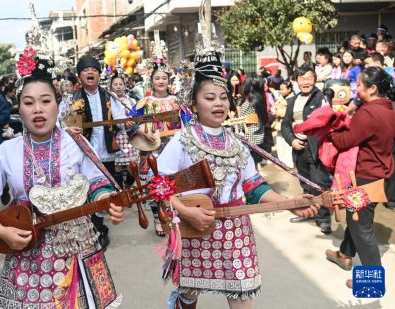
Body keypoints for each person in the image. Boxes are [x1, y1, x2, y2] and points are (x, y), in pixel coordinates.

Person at [156, 47, 321, 309]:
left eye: (223, 97)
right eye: (210, 97)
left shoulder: (237, 142)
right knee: (188, 297)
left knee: (243, 295)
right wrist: (185, 213)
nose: (218, 104)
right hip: (195, 228)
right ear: (194, 103)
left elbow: (253, 187)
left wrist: (289, 201)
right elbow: (161, 186)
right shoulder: (182, 141)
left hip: (235, 231)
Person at [0, 55, 124, 308]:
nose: (38, 109)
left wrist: (107, 200)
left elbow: (98, 185)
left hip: (79, 248)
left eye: (45, 101)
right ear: (19, 107)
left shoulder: (76, 143)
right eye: (29, 103)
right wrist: (3, 232)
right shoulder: (7, 151)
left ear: (57, 104)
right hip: (28, 249)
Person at [325, 67, 395, 287]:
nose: (357, 87)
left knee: (361, 228)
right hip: (381, 174)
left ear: (373, 89)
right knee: (356, 220)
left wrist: (330, 130)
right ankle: (344, 254)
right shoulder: (390, 109)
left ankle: (371, 282)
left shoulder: (368, 112)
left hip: (364, 178)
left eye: (361, 84)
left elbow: (346, 141)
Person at [70, 55, 137, 250]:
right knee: (83, 191)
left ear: (99, 75)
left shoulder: (109, 96)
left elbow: (119, 118)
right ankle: (86, 228)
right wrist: (72, 129)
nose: (90, 73)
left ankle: (99, 229)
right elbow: (69, 125)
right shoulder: (73, 98)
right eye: (85, 70)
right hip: (83, 154)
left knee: (103, 191)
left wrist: (128, 123)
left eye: (94, 70)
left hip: (105, 152)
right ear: (79, 76)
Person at [134, 46, 181, 237]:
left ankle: (172, 216)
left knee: (174, 184)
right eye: (157, 78)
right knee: (154, 185)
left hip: (174, 147)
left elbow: (187, 123)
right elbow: (131, 124)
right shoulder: (143, 103)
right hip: (152, 150)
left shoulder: (177, 101)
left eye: (164, 78)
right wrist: (144, 134)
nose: (161, 81)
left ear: (169, 81)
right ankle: (157, 217)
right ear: (151, 81)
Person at [281, 66, 332, 234]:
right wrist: (292, 140)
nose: (305, 82)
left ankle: (324, 218)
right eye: (302, 79)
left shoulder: (320, 98)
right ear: (297, 81)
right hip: (299, 149)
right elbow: (285, 124)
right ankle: (309, 212)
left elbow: (325, 122)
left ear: (315, 80)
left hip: (315, 150)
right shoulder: (293, 100)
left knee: (319, 184)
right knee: (305, 183)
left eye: (309, 78)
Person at [109, 71, 139, 188]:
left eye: (121, 84)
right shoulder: (109, 101)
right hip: (116, 136)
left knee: (133, 164)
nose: (118, 87)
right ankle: (120, 190)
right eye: (115, 84)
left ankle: (128, 186)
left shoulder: (132, 101)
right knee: (117, 165)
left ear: (125, 86)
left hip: (131, 136)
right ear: (111, 86)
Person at [239, 75, 268, 166]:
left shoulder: (247, 105)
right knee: (255, 167)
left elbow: (241, 124)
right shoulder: (260, 101)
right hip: (259, 139)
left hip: (249, 141)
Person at [271, 81, 295, 168]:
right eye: (280, 89)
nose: (281, 91)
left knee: (288, 144)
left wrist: (277, 111)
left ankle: (289, 164)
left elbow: (289, 112)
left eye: (283, 89)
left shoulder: (293, 98)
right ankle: (282, 162)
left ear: (289, 89)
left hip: (288, 125)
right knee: (280, 143)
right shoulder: (281, 97)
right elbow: (275, 105)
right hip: (279, 124)